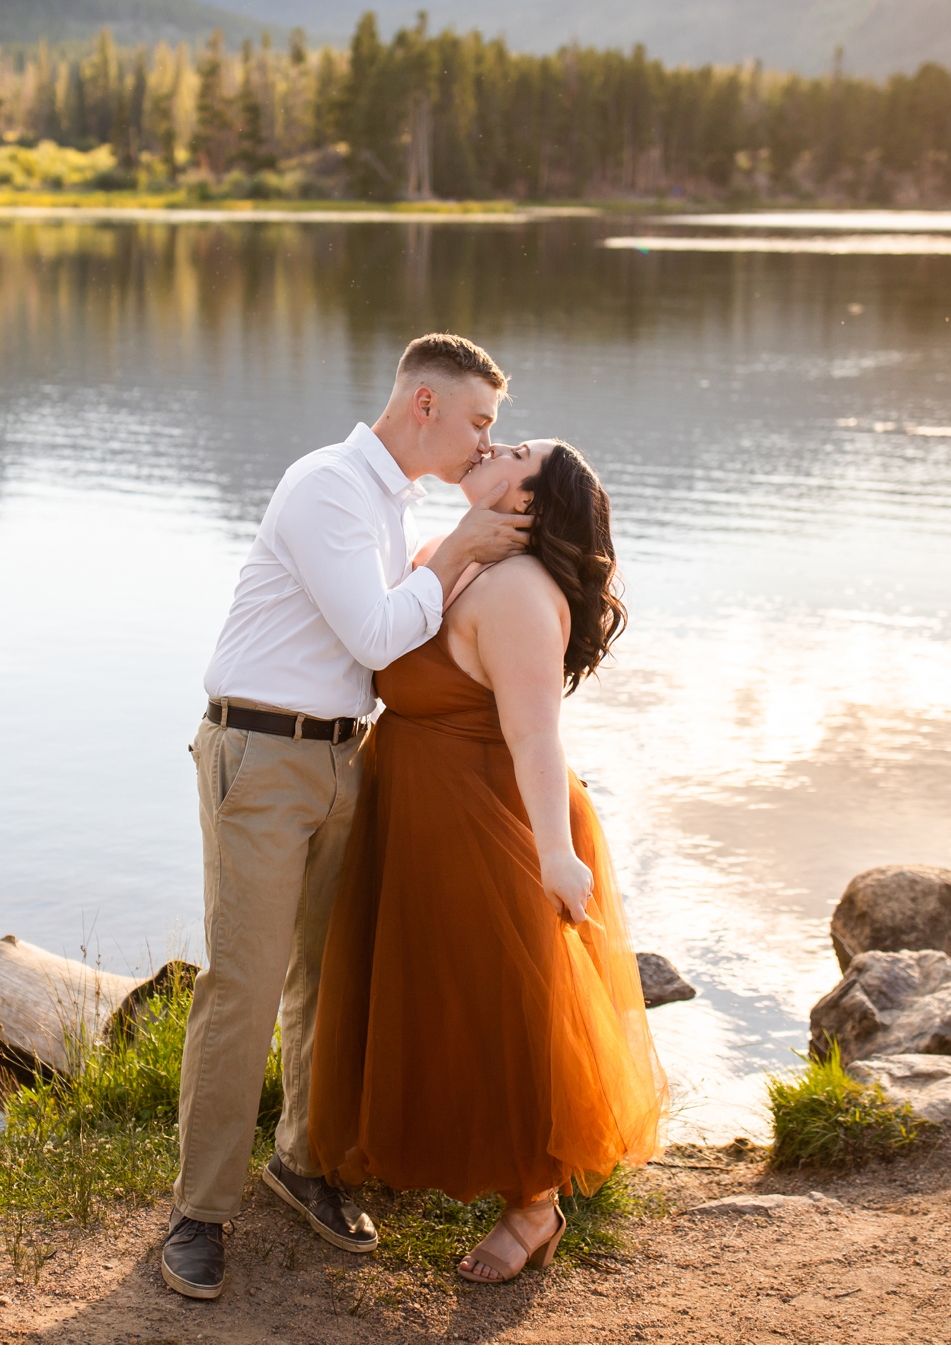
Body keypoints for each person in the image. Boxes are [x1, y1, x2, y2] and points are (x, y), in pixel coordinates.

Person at [163, 333, 532, 1301]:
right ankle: (200, 1212)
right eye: (478, 422)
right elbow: (374, 631)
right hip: (263, 755)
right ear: (423, 405)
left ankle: (302, 1162)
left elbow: (400, 644)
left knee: (327, 976)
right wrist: (457, 550)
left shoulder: (395, 504)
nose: (484, 440)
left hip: (345, 755)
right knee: (242, 982)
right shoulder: (327, 485)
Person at [306, 437, 665, 1284]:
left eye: (518, 450)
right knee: (427, 991)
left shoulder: (520, 594)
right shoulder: (445, 554)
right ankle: (421, 1154)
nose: (496, 442)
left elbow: (538, 735)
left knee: (501, 1005)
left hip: (490, 817)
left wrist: (554, 855)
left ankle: (534, 1206)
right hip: (416, 811)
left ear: (530, 506)